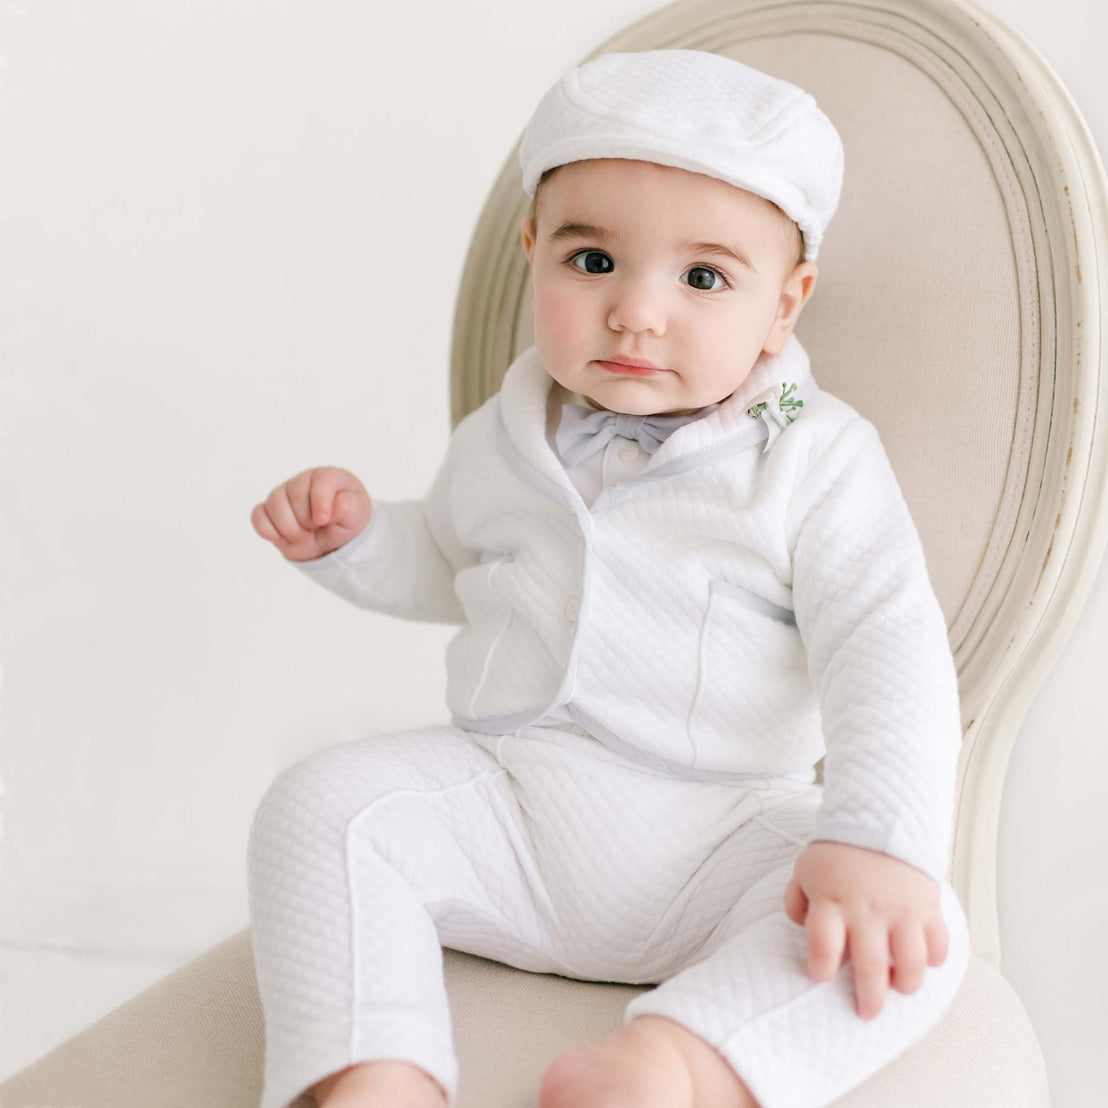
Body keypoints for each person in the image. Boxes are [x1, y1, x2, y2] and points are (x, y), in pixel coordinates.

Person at [246, 48, 970, 1108]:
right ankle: (373, 1070)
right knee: (319, 806)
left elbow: (883, 640)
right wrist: (355, 542)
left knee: (915, 940)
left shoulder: (815, 456)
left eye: (703, 277)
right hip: (507, 806)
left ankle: (675, 1065)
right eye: (592, 264)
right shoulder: (505, 433)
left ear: (786, 302)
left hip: (724, 838)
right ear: (535, 250)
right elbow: (451, 564)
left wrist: (875, 837)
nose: (636, 312)